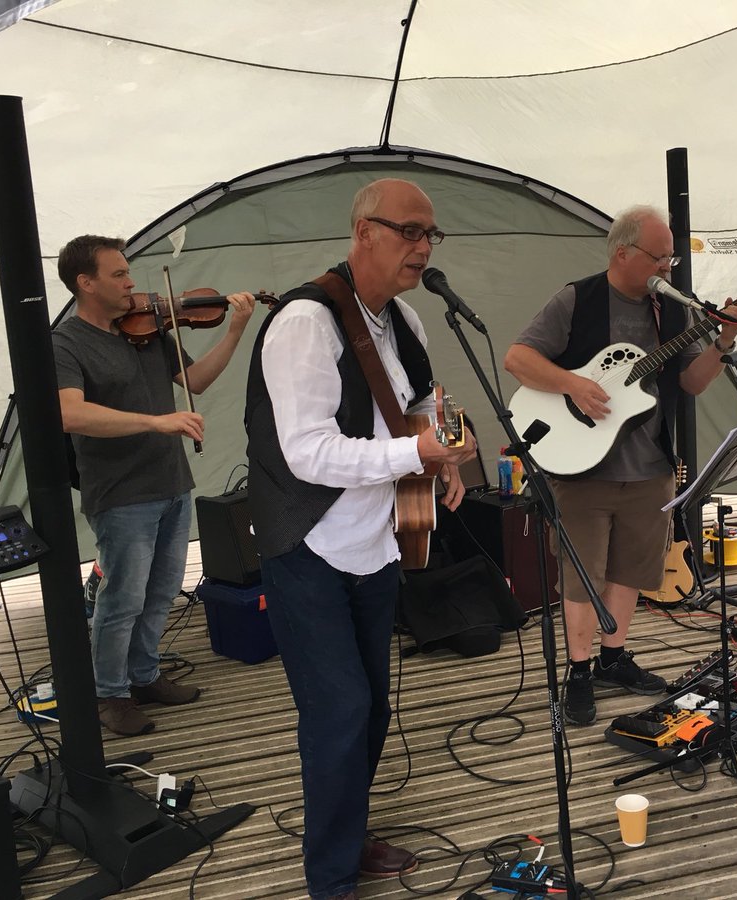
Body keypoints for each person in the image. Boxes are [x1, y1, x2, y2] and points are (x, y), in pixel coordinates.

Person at [244, 179, 477, 900]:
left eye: (431, 234)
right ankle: (331, 878)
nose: (423, 246)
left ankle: (347, 828)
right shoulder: (304, 322)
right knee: (338, 708)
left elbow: (416, 404)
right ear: (363, 232)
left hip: (377, 537)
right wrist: (416, 457)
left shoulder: (406, 317)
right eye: (409, 231)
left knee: (371, 705)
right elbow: (306, 453)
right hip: (306, 542)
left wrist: (444, 452)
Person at [503, 205, 737, 726]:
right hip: (580, 467)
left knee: (631, 569)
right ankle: (580, 670)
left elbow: (691, 382)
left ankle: (614, 657)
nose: (668, 268)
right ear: (623, 253)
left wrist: (724, 338)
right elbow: (518, 359)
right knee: (581, 575)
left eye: (671, 258)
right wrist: (574, 384)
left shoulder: (673, 314)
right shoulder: (577, 298)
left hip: (649, 465)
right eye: (660, 257)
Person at [53, 235, 256, 737]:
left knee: (162, 590)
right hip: (120, 493)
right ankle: (110, 694)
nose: (131, 283)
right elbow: (69, 412)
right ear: (86, 282)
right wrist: (155, 421)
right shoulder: (64, 343)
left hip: (170, 483)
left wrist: (234, 329)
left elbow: (197, 380)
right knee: (121, 599)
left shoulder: (147, 331)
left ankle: (143, 677)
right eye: (119, 274)